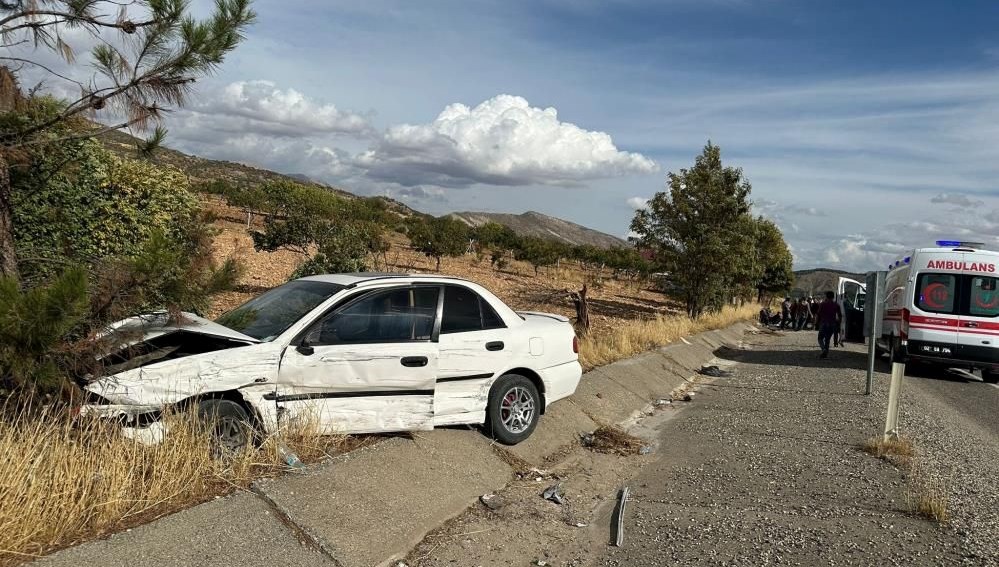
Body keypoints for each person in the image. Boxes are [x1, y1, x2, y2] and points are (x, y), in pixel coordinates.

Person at [816, 290, 842, 358]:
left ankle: (823, 349)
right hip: (832, 323)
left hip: (824, 323)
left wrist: (817, 322)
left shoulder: (822, 304)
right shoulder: (836, 305)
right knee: (827, 339)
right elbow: (840, 315)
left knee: (820, 338)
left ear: (826, 296)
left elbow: (818, 314)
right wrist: (839, 323)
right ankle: (825, 353)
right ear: (833, 297)